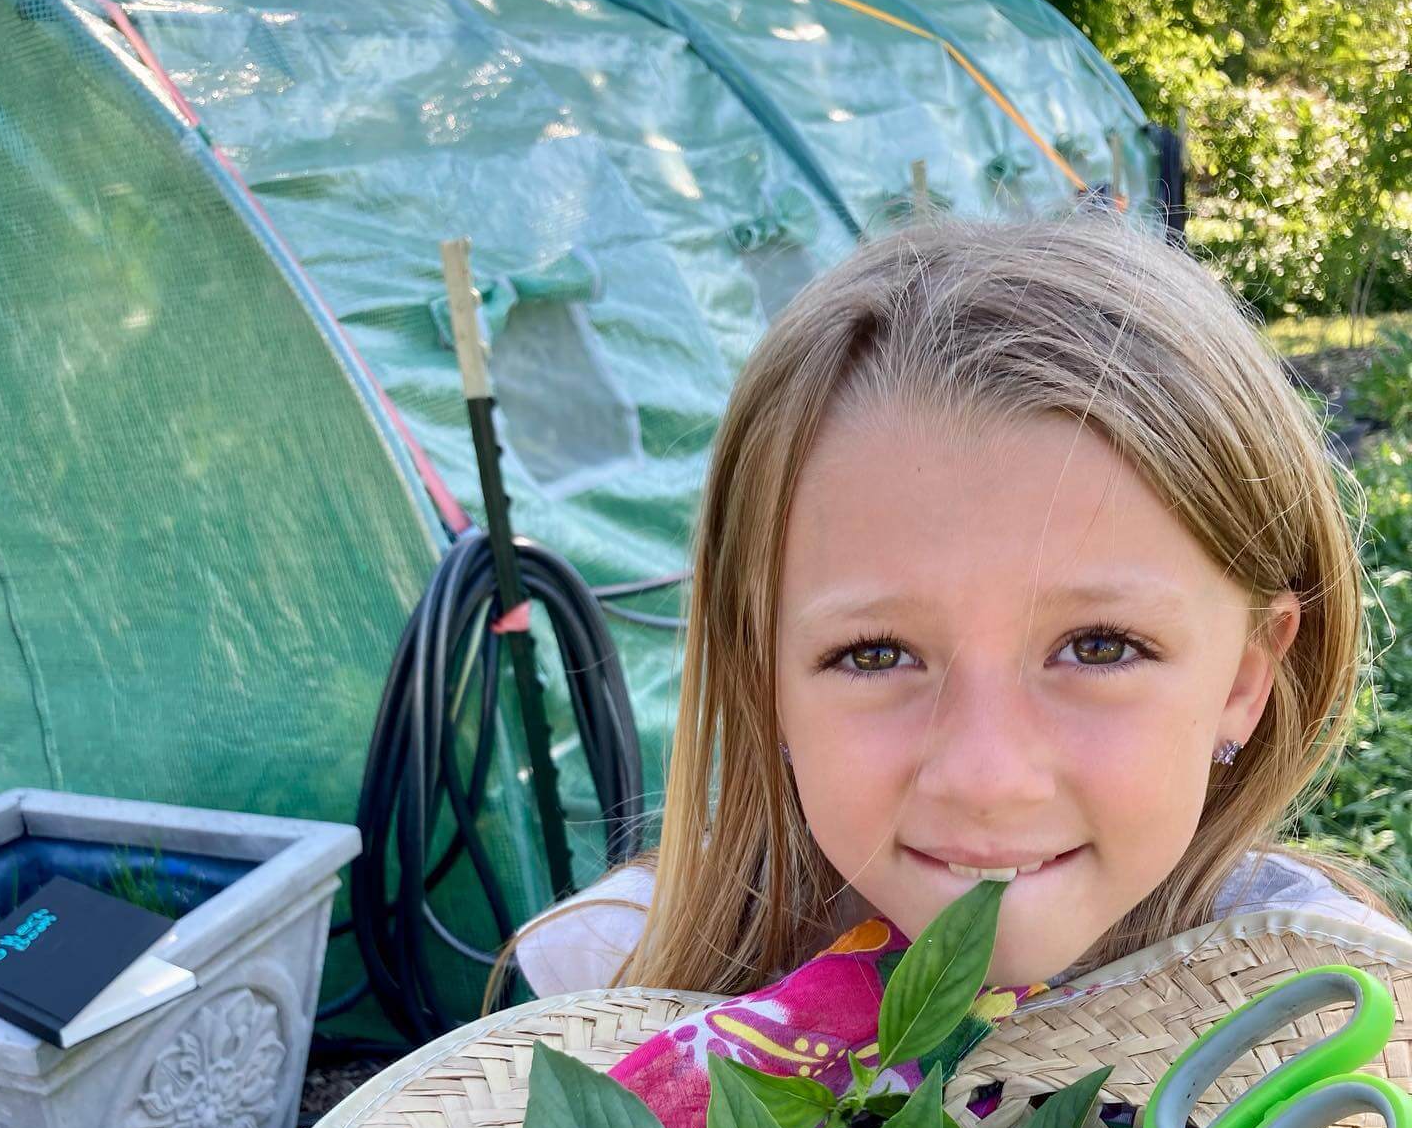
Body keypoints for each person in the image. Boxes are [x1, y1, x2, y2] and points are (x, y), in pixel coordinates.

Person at [506, 208, 1409, 1009]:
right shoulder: (600, 988)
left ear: (1246, 677)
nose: (987, 776)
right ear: (764, 674)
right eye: (874, 654)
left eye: (1099, 647)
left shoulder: (1326, 1007)